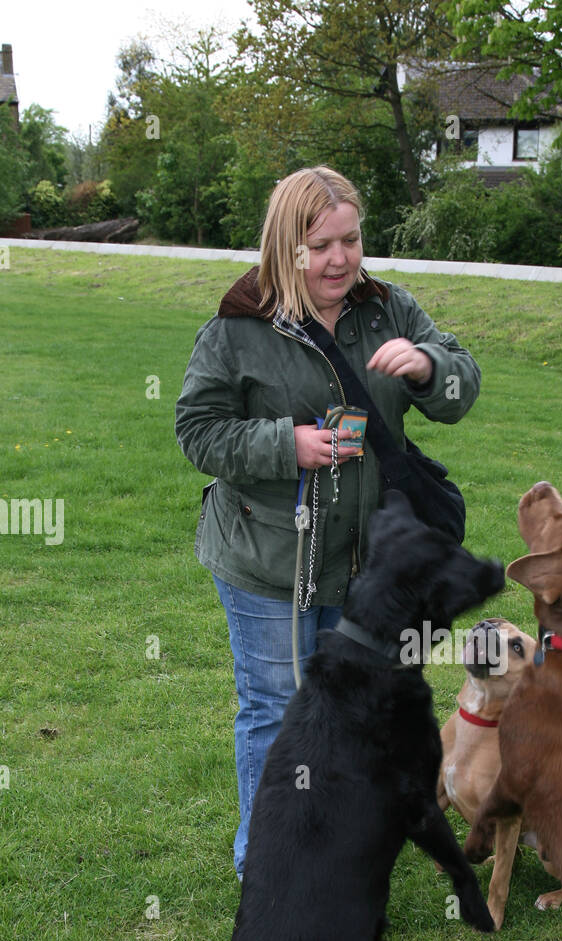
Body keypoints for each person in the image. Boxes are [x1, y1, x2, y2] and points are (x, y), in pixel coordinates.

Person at [175, 165, 481, 881]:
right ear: (286, 245)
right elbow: (197, 432)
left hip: (364, 563)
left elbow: (461, 388)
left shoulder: (389, 309)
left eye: (350, 240)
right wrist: (287, 445)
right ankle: (269, 859)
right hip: (267, 561)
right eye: (319, 245)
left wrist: (430, 366)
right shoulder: (237, 327)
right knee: (277, 712)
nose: (339, 259)